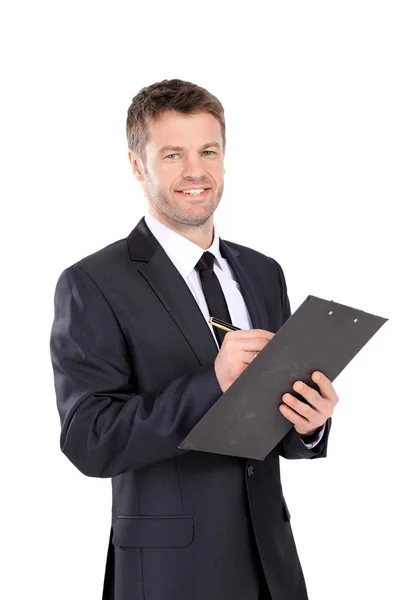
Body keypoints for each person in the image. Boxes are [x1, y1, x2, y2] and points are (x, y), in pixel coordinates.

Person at [50, 79, 338, 600]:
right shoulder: (93, 282)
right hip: (169, 574)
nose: (195, 171)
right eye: (173, 154)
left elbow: (272, 428)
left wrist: (310, 423)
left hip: (271, 564)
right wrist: (212, 382)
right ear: (138, 166)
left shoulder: (262, 272)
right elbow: (87, 440)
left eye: (208, 150)